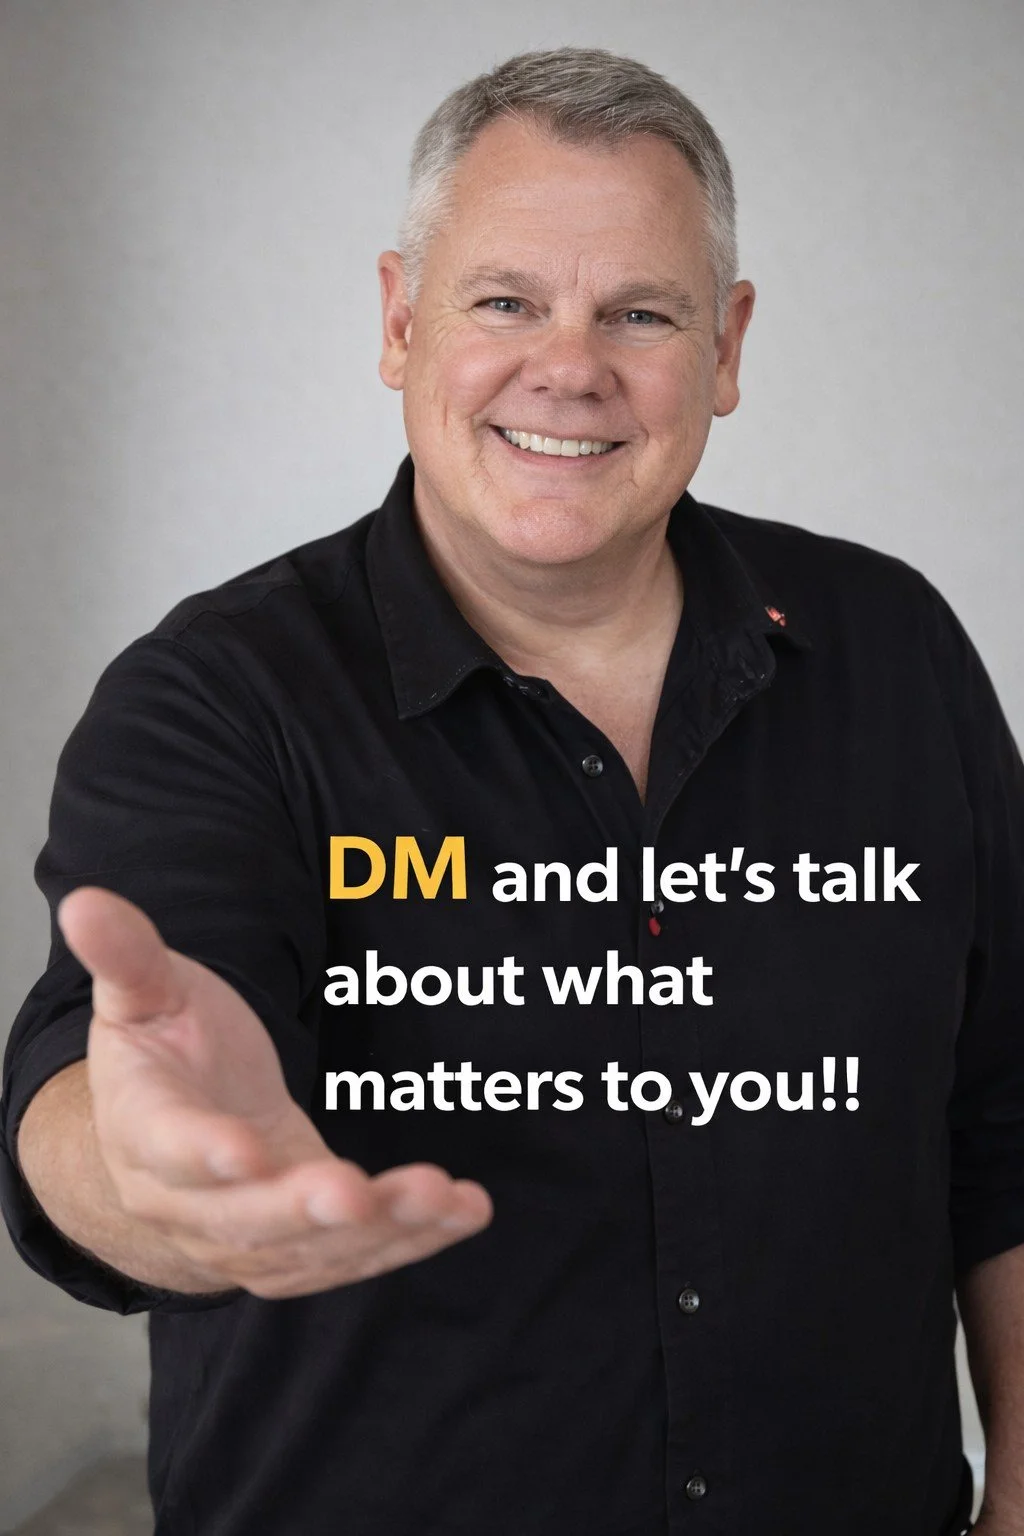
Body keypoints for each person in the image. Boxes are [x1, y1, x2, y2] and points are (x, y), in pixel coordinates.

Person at [1, 44, 1020, 1536]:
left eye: (642, 312)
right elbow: (83, 1118)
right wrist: (157, 1167)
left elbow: (1005, 1113)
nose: (570, 364)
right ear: (403, 322)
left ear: (726, 348)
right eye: (504, 301)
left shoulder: (896, 647)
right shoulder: (215, 697)